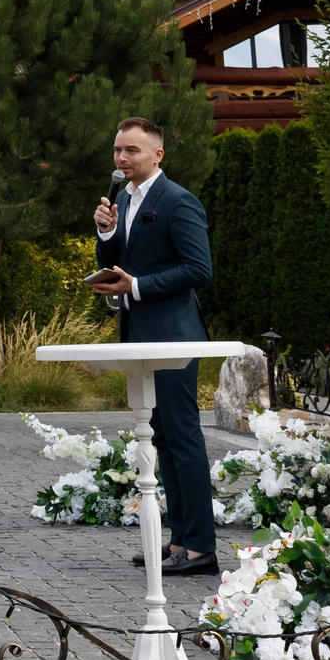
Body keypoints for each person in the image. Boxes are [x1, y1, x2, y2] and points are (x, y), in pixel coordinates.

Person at [92, 115, 218, 576]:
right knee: (162, 437)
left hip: (174, 337)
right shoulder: (123, 200)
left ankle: (202, 548)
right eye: (118, 150)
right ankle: (180, 541)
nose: (122, 159)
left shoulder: (178, 201)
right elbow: (119, 265)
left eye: (132, 151)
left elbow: (198, 269)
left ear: (157, 155)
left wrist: (137, 286)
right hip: (139, 335)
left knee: (184, 438)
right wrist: (106, 235)